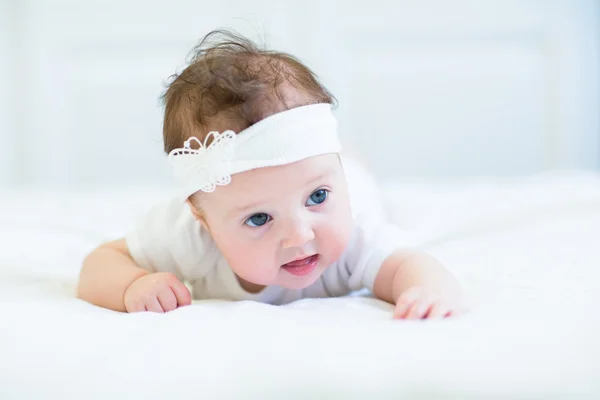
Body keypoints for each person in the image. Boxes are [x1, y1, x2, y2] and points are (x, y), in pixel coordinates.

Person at [77, 29, 467, 319]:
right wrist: (133, 286)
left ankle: (350, 163)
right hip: (325, 171)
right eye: (259, 218)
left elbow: (407, 266)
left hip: (354, 181)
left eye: (317, 198)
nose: (300, 235)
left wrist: (426, 290)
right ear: (204, 221)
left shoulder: (354, 237)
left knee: (359, 178)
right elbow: (99, 264)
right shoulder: (188, 234)